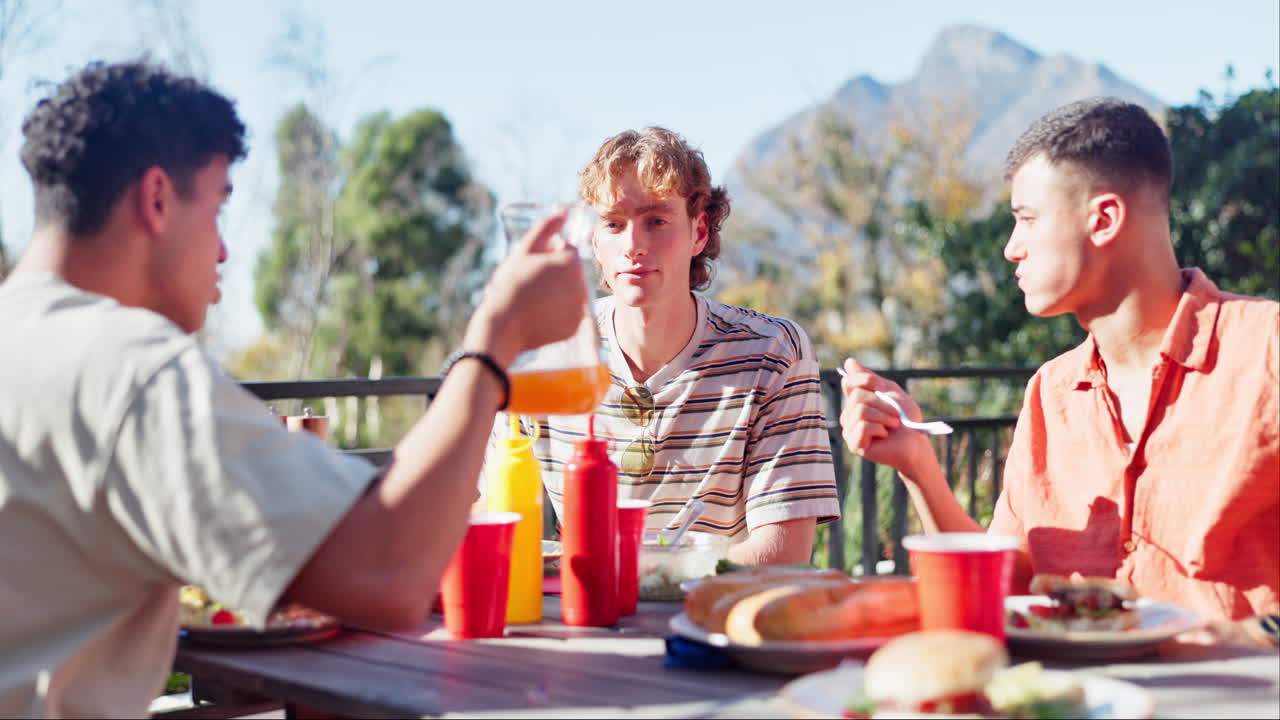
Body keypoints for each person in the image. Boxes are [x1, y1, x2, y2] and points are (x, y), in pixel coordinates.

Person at [0, 60, 588, 717]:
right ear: (157, 199)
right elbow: (389, 573)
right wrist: (494, 342)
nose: (224, 251)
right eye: (218, 207)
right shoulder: (130, 370)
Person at [838, 98, 1279, 644]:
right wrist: (917, 464)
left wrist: (1244, 639)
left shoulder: (1267, 351)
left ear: (1104, 219)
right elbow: (1006, 592)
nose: (1011, 248)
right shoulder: (1051, 392)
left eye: (1027, 219)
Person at [515, 127, 840, 566]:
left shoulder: (773, 353)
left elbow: (782, 553)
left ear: (699, 232)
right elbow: (490, 520)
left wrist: (637, 574)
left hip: (715, 606)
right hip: (578, 604)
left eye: (656, 221)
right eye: (613, 224)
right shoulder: (540, 352)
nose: (633, 246)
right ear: (594, 240)